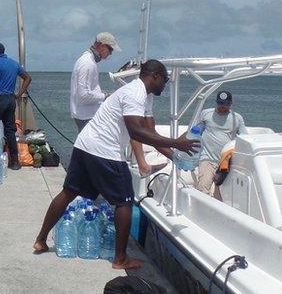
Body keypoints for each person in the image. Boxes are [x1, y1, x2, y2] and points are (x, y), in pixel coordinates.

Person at [33, 60, 198, 269]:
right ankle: (120, 259)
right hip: (104, 150)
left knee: (69, 192)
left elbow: (151, 133)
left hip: (86, 144)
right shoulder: (135, 93)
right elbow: (136, 133)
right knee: (125, 202)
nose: (165, 85)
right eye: (165, 80)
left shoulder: (143, 97)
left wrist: (174, 154)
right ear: (155, 76)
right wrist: (176, 142)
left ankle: (41, 240)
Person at [0, 42, 31, 170]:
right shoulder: (14, 63)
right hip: (11, 100)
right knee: (10, 131)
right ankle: (15, 162)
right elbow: (27, 78)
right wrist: (18, 94)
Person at [194, 91, 247, 196]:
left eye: (226, 104)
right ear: (216, 102)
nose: (223, 106)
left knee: (222, 195)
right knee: (202, 189)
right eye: (220, 103)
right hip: (207, 158)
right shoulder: (206, 113)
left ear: (231, 104)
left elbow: (245, 138)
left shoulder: (237, 118)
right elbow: (197, 130)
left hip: (226, 162)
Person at [70, 32, 120, 131]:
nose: (110, 53)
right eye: (110, 50)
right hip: (86, 116)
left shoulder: (88, 61)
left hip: (85, 114)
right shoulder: (87, 63)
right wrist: (106, 96)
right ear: (101, 46)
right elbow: (83, 95)